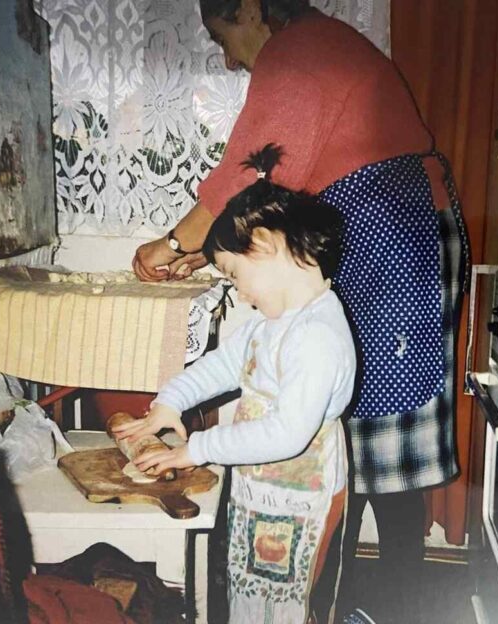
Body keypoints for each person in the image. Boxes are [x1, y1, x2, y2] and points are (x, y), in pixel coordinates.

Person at [131, 1, 470, 621]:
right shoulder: (321, 47)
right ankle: (354, 602)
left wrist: (173, 244)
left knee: (386, 448)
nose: (226, 59)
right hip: (386, 238)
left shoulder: (299, 50)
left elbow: (246, 179)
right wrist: (211, 254)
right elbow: (270, 196)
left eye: (223, 35)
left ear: (251, 7)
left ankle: (391, 608)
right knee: (362, 439)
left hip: (392, 242)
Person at [117, 145, 356, 624]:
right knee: (253, 599)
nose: (240, 293)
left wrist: (197, 449)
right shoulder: (271, 323)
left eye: (234, 275)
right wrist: (170, 403)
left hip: (303, 502)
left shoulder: (318, 336)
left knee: (291, 609)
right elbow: (221, 366)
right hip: (261, 496)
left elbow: (287, 434)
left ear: (264, 245)